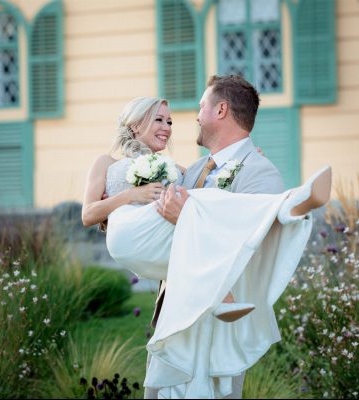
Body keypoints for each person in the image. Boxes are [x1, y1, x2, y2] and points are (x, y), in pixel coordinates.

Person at [86, 76, 330, 399]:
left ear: (221, 110)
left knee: (209, 206)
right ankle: (287, 204)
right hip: (174, 313)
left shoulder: (260, 171)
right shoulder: (191, 169)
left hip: (216, 330)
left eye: (201, 106)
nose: (194, 116)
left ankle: (288, 207)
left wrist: (185, 215)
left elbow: (253, 244)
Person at [82, 96, 259, 322]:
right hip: (127, 234)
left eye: (169, 122)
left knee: (202, 204)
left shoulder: (170, 167)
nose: (166, 128)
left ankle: (220, 296)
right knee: (197, 206)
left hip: (155, 241)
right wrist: (130, 195)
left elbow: (210, 180)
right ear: (135, 125)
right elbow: (87, 215)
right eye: (159, 120)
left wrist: (245, 163)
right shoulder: (106, 162)